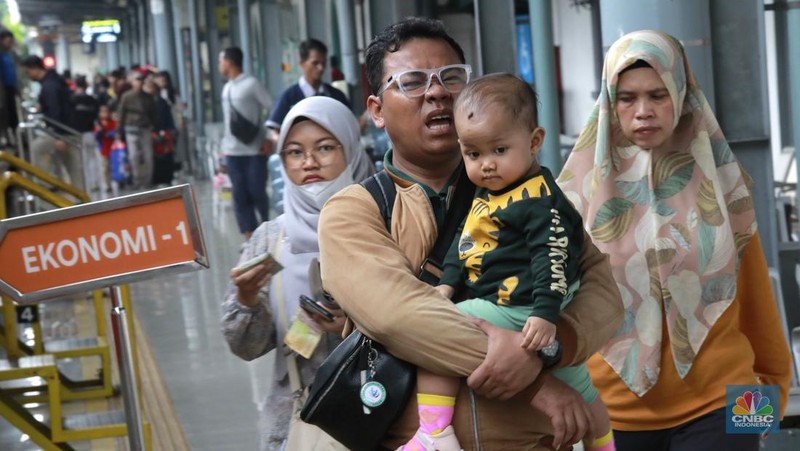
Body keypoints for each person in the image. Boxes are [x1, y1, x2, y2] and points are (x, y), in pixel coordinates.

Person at [317, 17, 623, 450]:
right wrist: (535, 381)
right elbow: (402, 317)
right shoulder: (352, 213)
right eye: (412, 82)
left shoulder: (530, 191)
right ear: (377, 110)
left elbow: (602, 291)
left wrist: (552, 345)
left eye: (451, 77)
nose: (438, 91)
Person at [557, 30, 792, 451]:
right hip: (610, 412)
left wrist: (767, 404)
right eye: (627, 98)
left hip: (725, 402)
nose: (643, 111)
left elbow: (755, 298)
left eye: (658, 94)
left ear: (681, 95)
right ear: (611, 102)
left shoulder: (723, 184)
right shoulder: (575, 197)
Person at [401, 73, 613, 451]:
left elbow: (552, 258)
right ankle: (604, 445)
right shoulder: (491, 192)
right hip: (523, 303)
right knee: (581, 386)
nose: (486, 165)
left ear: (534, 142)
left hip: (526, 305)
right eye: (473, 154)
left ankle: (434, 433)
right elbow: (462, 244)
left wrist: (545, 316)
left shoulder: (540, 200)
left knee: (438, 328)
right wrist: (448, 282)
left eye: (499, 150)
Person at [221, 96, 375, 450]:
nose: (309, 162)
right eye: (294, 152)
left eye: (324, 147)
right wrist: (246, 300)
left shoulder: (387, 224)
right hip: (299, 425)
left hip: (385, 416)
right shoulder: (271, 239)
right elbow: (246, 347)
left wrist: (357, 325)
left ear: (350, 148)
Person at [219, 46, 274, 239]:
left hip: (254, 150)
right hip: (233, 152)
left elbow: (271, 107)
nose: (220, 65)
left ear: (230, 62)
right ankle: (249, 237)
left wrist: (269, 137)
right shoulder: (226, 88)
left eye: (221, 61)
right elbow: (227, 123)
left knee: (257, 191)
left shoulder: (251, 84)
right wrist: (223, 153)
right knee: (239, 195)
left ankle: (265, 229)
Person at [21, 55, 83, 189]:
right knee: (74, 168)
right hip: (68, 130)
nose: (28, 75)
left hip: (61, 131)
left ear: (35, 69)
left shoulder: (49, 86)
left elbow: (56, 111)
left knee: (36, 149)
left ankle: (46, 184)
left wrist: (58, 135)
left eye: (28, 71)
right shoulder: (54, 81)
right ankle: (81, 199)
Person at [265, 39, 350, 133]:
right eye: (315, 63)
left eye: (323, 63)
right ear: (302, 63)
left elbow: (349, 125)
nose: (321, 68)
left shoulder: (336, 95)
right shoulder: (288, 97)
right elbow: (275, 131)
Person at [117, 70, 156, 189]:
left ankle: (147, 181)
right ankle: (137, 180)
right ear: (132, 82)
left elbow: (153, 114)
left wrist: (154, 127)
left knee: (148, 156)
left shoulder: (148, 97)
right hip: (131, 129)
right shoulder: (126, 96)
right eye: (137, 80)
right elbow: (121, 114)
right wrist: (119, 131)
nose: (140, 82)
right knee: (134, 156)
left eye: (141, 80)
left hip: (144, 128)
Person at [71, 75, 103, 194]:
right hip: (90, 132)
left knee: (81, 160)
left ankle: (85, 184)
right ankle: (95, 183)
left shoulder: (72, 100)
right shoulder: (92, 100)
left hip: (76, 134)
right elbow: (96, 116)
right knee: (92, 159)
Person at [94, 103, 117, 192]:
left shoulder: (112, 123)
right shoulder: (98, 124)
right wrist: (100, 131)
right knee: (105, 167)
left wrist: (108, 132)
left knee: (113, 166)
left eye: (106, 112)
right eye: (102, 112)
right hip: (104, 148)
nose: (105, 114)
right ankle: (108, 184)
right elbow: (96, 136)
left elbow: (115, 133)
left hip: (113, 148)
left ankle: (118, 180)